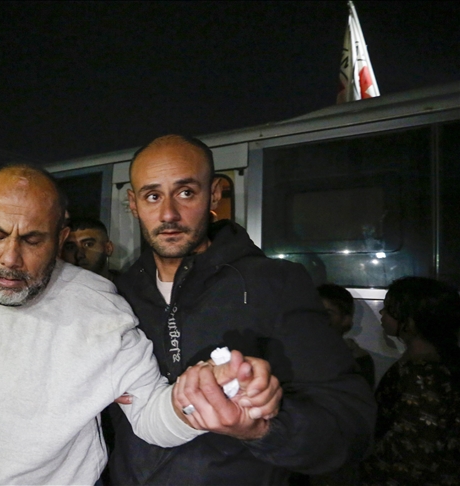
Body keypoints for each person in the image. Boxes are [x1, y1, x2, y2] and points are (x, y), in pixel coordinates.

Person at [0, 165, 281, 484]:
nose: (10, 258)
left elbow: (151, 417)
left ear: (60, 239)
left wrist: (198, 400)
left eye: (32, 239)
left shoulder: (100, 310)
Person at [109, 134, 377, 484]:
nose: (169, 214)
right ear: (133, 203)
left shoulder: (274, 283)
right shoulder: (117, 295)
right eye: (153, 196)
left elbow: (350, 425)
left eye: (186, 192)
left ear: (214, 194)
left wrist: (263, 428)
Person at [360, 277, 460, 485]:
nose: (382, 313)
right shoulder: (437, 363)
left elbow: (415, 446)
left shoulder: (422, 374)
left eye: (389, 309)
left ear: (411, 322)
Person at [318, 283, 375, 388]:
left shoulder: (357, 360)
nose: (318, 318)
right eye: (314, 312)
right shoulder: (295, 351)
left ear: (345, 319)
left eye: (328, 313)